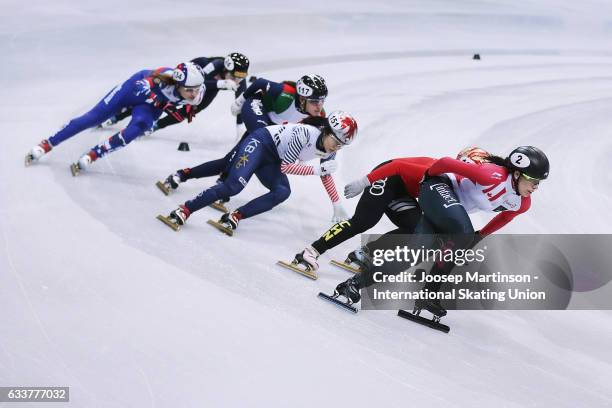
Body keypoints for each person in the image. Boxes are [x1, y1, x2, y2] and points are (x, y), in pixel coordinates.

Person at [327, 146, 550, 317]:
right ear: (517, 173)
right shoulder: (491, 175)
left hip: (447, 209)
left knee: (414, 254)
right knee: (463, 232)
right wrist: (427, 177)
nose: (535, 187)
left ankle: (355, 285)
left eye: (539, 183)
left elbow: (505, 217)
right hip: (436, 187)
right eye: (533, 180)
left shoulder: (522, 202)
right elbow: (444, 162)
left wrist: (480, 236)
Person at [157, 111, 358, 233]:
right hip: (260, 142)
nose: (337, 148)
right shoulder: (305, 133)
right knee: (233, 186)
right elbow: (286, 168)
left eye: (342, 146)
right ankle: (185, 209)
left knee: (282, 192)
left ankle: (235, 216)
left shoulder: (329, 148)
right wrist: (316, 168)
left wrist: (336, 204)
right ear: (326, 130)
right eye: (336, 142)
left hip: (273, 158)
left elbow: (325, 174)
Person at [156, 74, 329, 209]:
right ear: (302, 98)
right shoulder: (285, 94)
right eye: (315, 101)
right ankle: (222, 181)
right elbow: (260, 83)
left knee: (229, 160)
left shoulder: (318, 115)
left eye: (322, 101)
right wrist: (240, 100)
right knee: (257, 149)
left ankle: (183, 174)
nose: (319, 106)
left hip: (270, 125)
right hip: (256, 107)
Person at [25, 62, 205, 174]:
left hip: (149, 106)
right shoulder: (163, 77)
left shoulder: (197, 93)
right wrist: (163, 104)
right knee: (92, 119)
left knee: (136, 130)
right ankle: (47, 144)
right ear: (178, 83)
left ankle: (95, 154)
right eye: (189, 90)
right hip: (133, 91)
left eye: (196, 89)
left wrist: (183, 108)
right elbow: (143, 89)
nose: (193, 93)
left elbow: (190, 100)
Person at [99, 53, 250, 138]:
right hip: (187, 81)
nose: (238, 79)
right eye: (235, 75)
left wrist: (239, 128)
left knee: (191, 110)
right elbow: (196, 83)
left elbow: (240, 103)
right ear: (226, 69)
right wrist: (220, 84)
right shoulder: (214, 65)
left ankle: (156, 126)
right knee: (155, 101)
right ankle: (117, 117)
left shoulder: (238, 80)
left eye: (242, 76)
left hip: (208, 88)